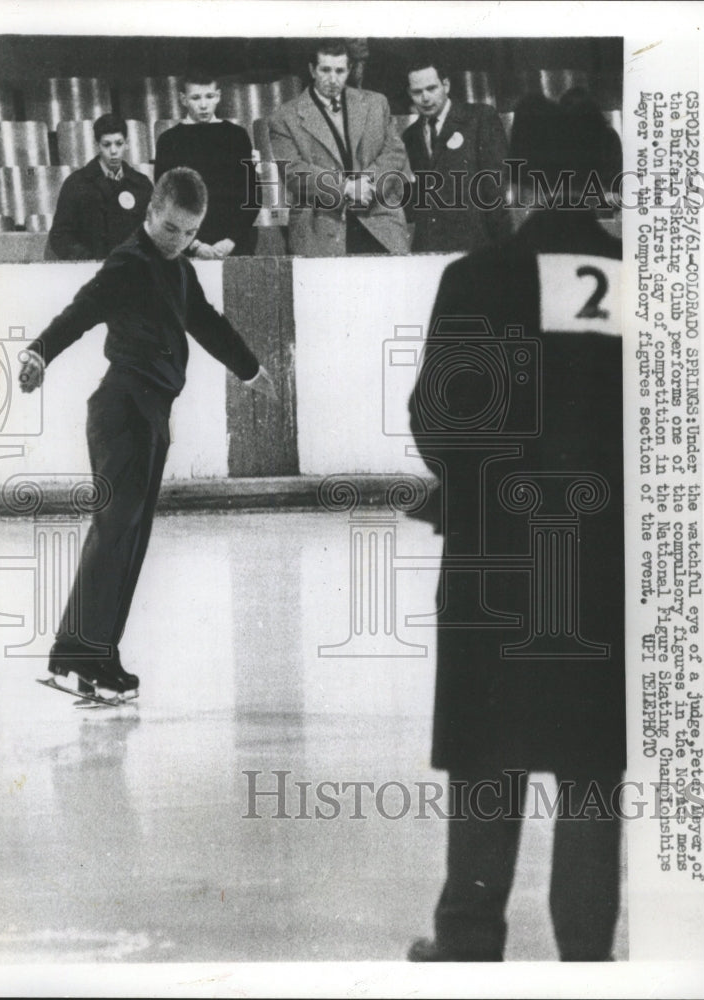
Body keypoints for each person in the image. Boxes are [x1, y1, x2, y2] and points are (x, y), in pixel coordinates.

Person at [407, 95, 625, 962]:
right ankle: (587, 962)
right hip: (606, 571)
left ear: (522, 178)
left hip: (498, 564)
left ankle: (466, 950)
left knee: (488, 767)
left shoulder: (478, 278)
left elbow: (440, 430)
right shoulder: (647, 286)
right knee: (590, 779)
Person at [19, 168, 276, 696]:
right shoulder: (129, 261)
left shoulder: (179, 269)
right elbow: (81, 311)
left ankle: (99, 655)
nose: (177, 240)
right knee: (115, 533)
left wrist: (250, 369)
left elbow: (206, 322)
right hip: (123, 409)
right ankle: (74, 658)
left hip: (150, 411)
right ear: (150, 212)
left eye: (189, 232)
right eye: (170, 227)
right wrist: (38, 352)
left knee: (130, 540)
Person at [268, 39, 410, 256]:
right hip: (321, 230)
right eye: (325, 70)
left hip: (380, 225)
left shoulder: (376, 103)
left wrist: (367, 186)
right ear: (312, 70)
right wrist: (346, 189)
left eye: (340, 71)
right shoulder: (284, 117)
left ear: (349, 70)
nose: (333, 79)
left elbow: (394, 151)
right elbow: (293, 171)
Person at [401, 55, 510, 253]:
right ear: (410, 93)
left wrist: (502, 250)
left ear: (446, 85)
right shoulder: (410, 136)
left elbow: (495, 192)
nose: (425, 98)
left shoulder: (480, 118)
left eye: (431, 88)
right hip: (429, 250)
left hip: (475, 248)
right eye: (417, 92)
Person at [154, 68, 259, 258]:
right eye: (196, 98)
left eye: (209, 96)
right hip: (185, 248)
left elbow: (252, 194)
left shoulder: (237, 136)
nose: (203, 105)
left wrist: (231, 240)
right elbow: (164, 199)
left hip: (234, 247)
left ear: (218, 96)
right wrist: (193, 245)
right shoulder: (169, 140)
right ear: (183, 99)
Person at [48, 113, 153, 260]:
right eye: (107, 145)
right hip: (90, 271)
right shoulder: (76, 184)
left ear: (127, 143)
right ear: (97, 145)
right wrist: (87, 260)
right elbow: (59, 235)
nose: (114, 151)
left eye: (119, 143)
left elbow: (152, 231)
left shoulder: (142, 185)